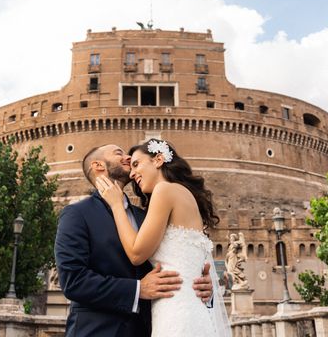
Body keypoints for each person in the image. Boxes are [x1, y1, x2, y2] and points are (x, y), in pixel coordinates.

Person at [54, 144, 213, 337]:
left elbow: (171, 261)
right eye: (119, 153)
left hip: (154, 327)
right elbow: (73, 280)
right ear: (98, 166)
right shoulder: (77, 214)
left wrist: (200, 283)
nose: (128, 158)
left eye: (134, 160)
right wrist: (137, 290)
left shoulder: (145, 215)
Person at [94, 139, 231, 337]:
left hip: (177, 311)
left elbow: (136, 254)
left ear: (158, 160)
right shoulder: (183, 195)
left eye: (136, 164)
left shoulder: (165, 190)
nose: (132, 174)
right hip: (190, 309)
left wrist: (116, 205)